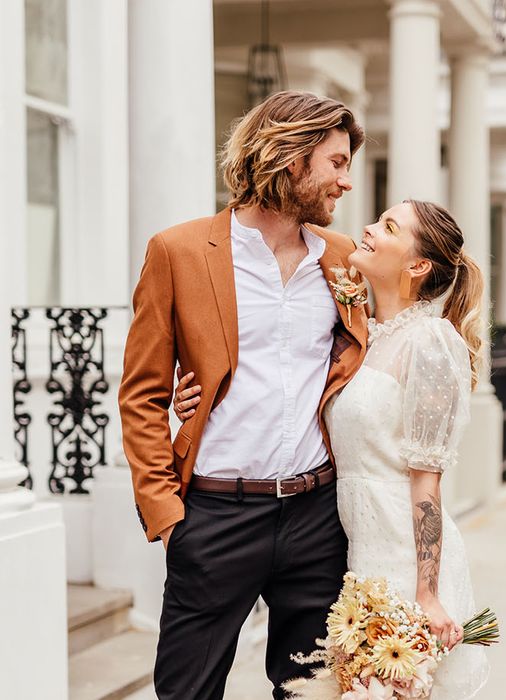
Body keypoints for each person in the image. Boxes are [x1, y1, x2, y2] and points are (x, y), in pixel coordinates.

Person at [174, 199, 490, 699]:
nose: (367, 228)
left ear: (417, 265)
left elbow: (427, 477)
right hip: (353, 551)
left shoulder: (429, 340)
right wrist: (194, 393)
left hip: (402, 558)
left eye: (388, 227)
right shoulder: (361, 332)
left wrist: (426, 592)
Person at [118, 91, 366, 700]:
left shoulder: (342, 262)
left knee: (311, 693)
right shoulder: (177, 252)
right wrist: (168, 516)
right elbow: (143, 393)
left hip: (317, 516)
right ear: (290, 157)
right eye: (335, 163)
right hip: (215, 515)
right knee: (187, 691)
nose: (346, 182)